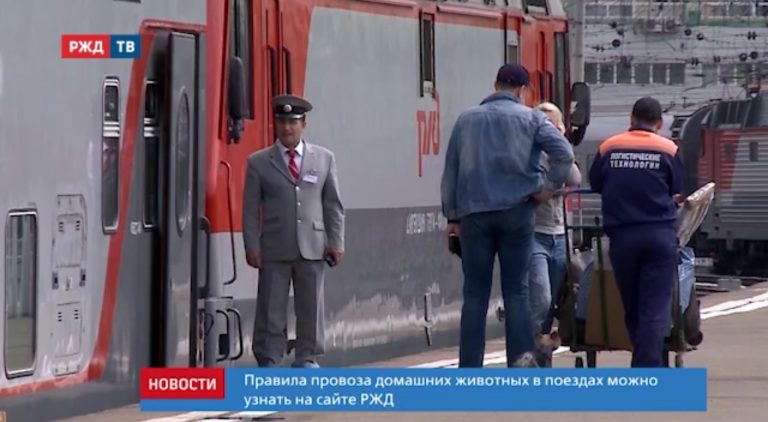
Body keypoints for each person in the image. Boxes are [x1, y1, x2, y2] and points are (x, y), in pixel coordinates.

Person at [440, 63, 575, 368]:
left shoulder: (466, 120)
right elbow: (564, 154)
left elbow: (451, 171)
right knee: (516, 291)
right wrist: (547, 187)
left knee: (475, 294)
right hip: (518, 212)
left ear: (495, 84)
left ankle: (469, 369)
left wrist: (452, 217)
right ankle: (519, 366)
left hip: (474, 215)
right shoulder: (532, 119)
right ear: (522, 90)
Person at [242, 94, 345, 368]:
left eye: (293, 122)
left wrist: (336, 241)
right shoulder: (258, 162)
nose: (287, 128)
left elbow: (333, 204)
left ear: (303, 124)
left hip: (313, 245)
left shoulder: (324, 159)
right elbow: (250, 210)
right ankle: (270, 359)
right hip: (274, 247)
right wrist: (252, 246)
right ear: (276, 124)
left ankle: (307, 358)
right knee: (271, 309)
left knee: (310, 308)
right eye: (282, 122)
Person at [588, 96, 685, 367]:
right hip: (659, 235)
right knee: (653, 306)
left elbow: (595, 183)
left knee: (632, 304)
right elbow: (676, 187)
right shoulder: (669, 149)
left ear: (631, 119)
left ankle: (641, 360)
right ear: (659, 123)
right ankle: (647, 366)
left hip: (623, 237)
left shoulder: (609, 147)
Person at [528, 102, 582, 340]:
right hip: (534, 233)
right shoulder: (530, 154)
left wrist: (560, 144)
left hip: (559, 235)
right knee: (541, 297)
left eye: (553, 124)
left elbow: (574, 177)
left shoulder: (560, 154)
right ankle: (527, 348)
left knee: (551, 303)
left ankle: (542, 352)